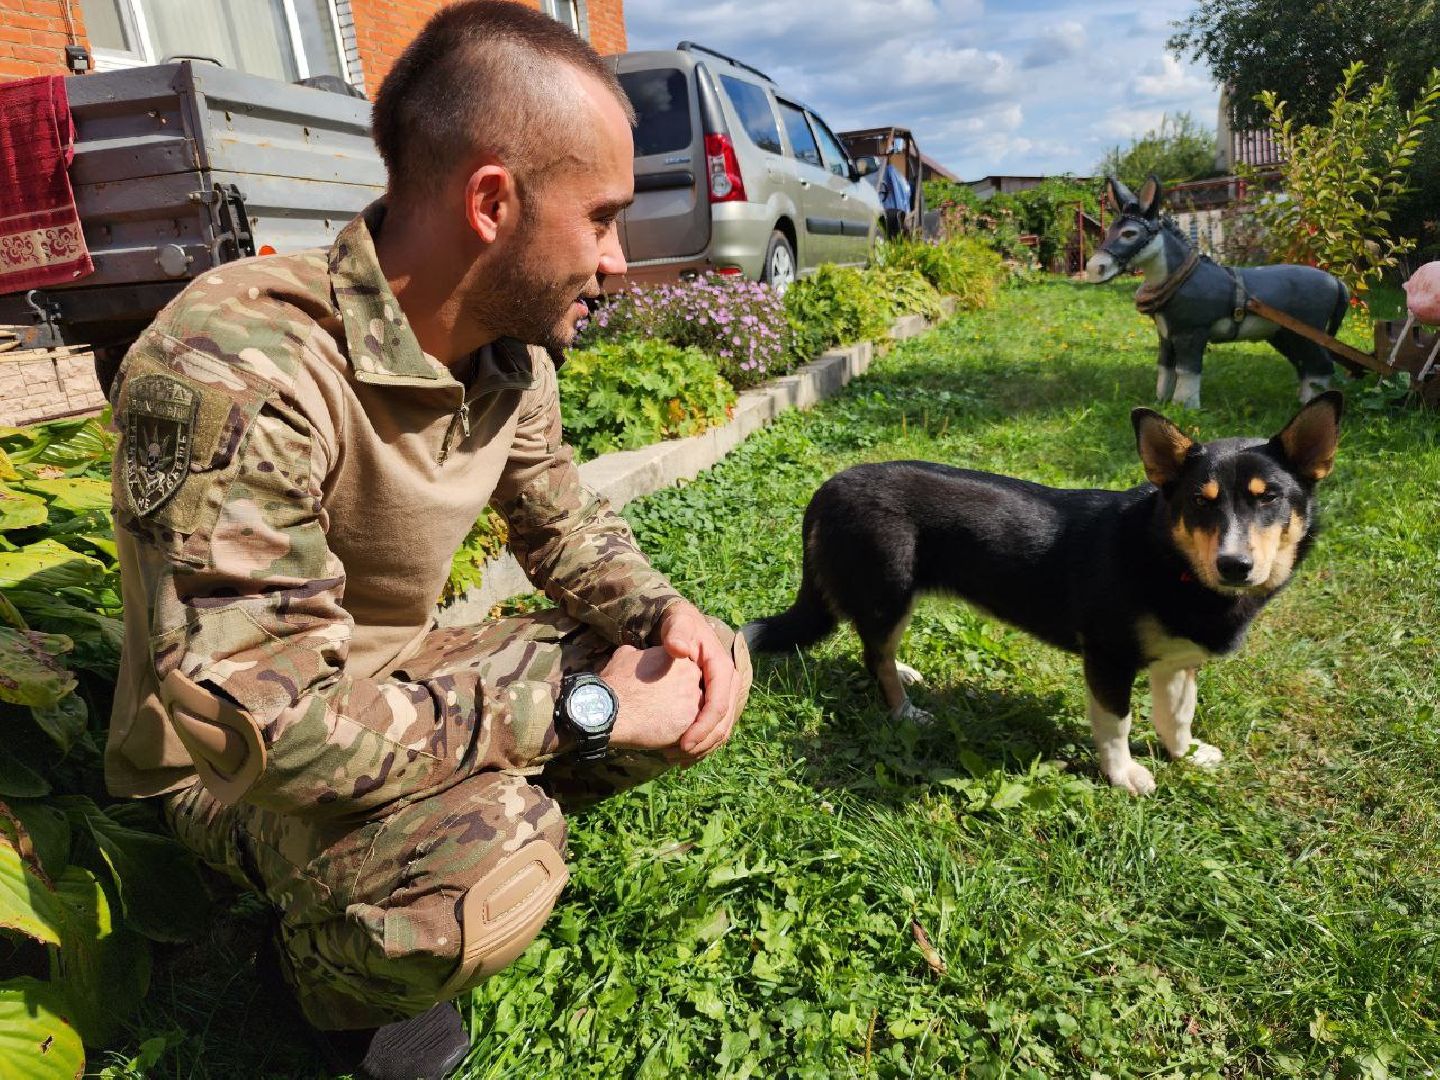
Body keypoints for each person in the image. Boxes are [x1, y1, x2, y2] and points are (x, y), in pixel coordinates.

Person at [103, 4, 751, 1077]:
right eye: (600, 218)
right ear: (493, 202)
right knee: (484, 871)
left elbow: (565, 526)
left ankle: (427, 834)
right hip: (229, 768)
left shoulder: (507, 359)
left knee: (679, 665)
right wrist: (580, 712)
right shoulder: (241, 365)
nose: (618, 260)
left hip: (389, 687)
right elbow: (271, 729)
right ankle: (319, 975)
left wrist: (664, 617)